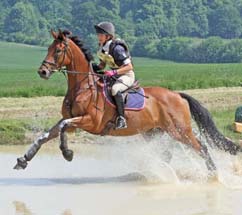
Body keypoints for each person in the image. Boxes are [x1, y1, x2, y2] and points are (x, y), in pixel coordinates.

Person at [93, 21, 135, 129]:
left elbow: (130, 67)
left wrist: (113, 72)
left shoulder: (117, 49)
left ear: (108, 36)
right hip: (115, 76)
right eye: (98, 34)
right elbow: (102, 65)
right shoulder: (102, 47)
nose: (98, 36)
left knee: (115, 89)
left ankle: (122, 118)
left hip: (126, 75)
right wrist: (92, 67)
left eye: (101, 34)